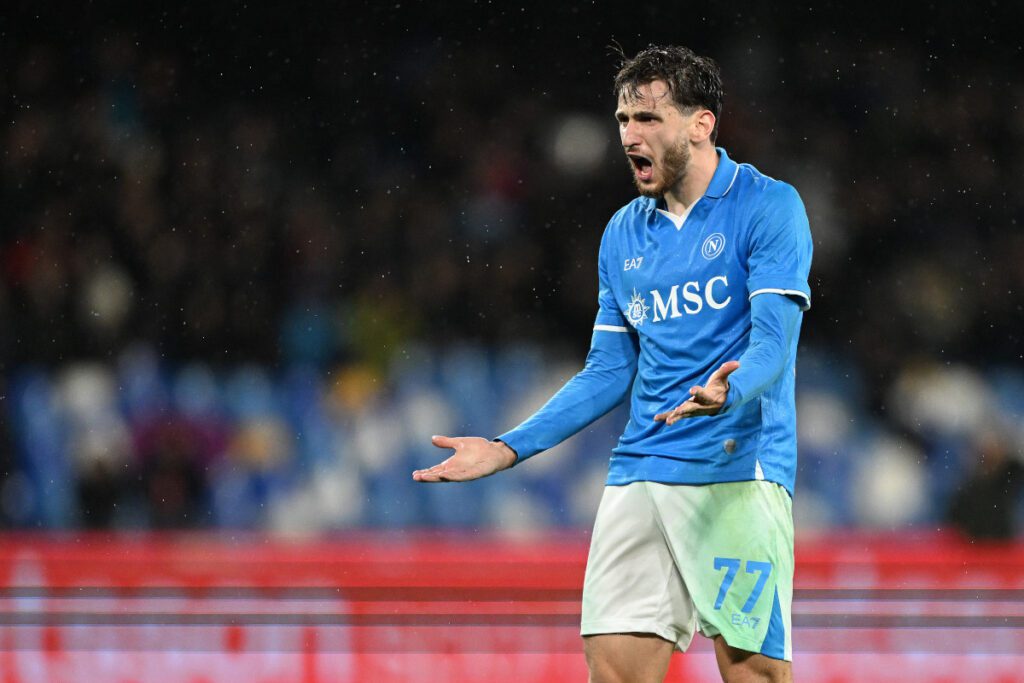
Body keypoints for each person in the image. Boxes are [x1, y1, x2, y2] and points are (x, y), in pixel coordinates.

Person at [413, 45, 812, 683]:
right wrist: (507, 448)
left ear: (701, 124)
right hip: (640, 471)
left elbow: (773, 345)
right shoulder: (622, 233)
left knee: (753, 674)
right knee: (614, 671)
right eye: (624, 119)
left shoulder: (768, 206)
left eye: (648, 118)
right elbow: (607, 371)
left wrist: (728, 392)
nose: (629, 135)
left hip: (737, 469)